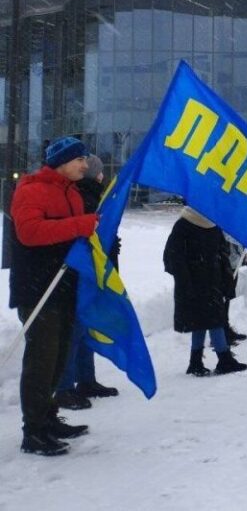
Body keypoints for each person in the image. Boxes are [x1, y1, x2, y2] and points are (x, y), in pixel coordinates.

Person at [10, 136, 99, 456]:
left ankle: (48, 417)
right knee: (41, 360)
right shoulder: (31, 189)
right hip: (38, 288)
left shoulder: (71, 192)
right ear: (62, 162)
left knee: (60, 357)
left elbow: (75, 234)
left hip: (64, 287)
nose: (85, 165)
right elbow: (29, 233)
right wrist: (81, 225)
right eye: (80, 160)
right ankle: (33, 430)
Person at [53, 155, 120, 412]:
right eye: (100, 172)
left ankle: (86, 380)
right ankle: (65, 387)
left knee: (85, 328)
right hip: (82, 275)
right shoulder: (84, 198)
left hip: (92, 273)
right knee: (75, 331)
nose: (103, 176)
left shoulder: (93, 197)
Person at [163, 206, 247, 377]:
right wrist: (186, 280)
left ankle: (196, 361)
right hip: (196, 283)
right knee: (213, 319)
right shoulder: (184, 225)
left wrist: (226, 278)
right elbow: (172, 257)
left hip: (210, 281)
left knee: (203, 320)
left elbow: (221, 254)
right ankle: (223, 359)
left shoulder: (211, 225)